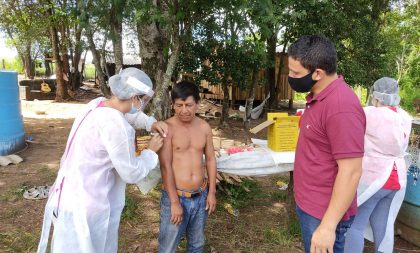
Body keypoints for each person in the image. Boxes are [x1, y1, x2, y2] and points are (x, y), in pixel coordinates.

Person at [37, 68, 167, 253]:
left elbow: (129, 113)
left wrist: (150, 123)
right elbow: (131, 172)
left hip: (67, 195)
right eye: (143, 99)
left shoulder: (97, 104)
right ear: (134, 97)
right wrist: (151, 152)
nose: (142, 103)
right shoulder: (116, 126)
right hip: (87, 207)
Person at [288, 35, 366, 253]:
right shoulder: (318, 95)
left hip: (323, 214)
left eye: (295, 73)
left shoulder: (341, 107)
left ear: (318, 73)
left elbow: (351, 171)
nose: (290, 77)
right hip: (311, 205)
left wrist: (328, 226)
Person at [344, 77, 412, 253]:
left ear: (377, 96)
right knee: (383, 223)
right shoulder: (405, 116)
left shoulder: (369, 113)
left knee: (355, 224)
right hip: (397, 177)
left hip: (374, 176)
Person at [158, 81, 217, 253]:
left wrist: (212, 192)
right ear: (173, 105)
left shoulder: (204, 127)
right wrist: (175, 202)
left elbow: (211, 160)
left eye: (189, 105)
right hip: (176, 196)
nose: (184, 110)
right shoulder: (167, 128)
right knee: (168, 246)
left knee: (197, 244)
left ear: (198, 104)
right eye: (179, 105)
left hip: (200, 196)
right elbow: (165, 166)